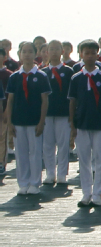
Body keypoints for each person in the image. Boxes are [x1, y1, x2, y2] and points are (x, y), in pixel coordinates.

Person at [69, 41, 101, 209]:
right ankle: (86, 193)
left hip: (99, 123)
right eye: (86, 53)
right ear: (81, 54)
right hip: (82, 123)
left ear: (97, 55)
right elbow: (72, 102)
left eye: (93, 53)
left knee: (99, 159)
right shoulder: (76, 78)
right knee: (84, 160)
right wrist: (72, 124)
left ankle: (97, 194)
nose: (89, 56)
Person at [5, 42, 50, 196]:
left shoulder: (41, 75)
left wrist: (41, 121)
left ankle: (35, 183)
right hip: (18, 121)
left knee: (35, 153)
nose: (27, 55)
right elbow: (10, 100)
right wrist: (9, 122)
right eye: (24, 52)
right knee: (21, 154)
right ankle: (23, 183)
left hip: (34, 120)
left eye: (30, 52)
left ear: (34, 53)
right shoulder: (14, 77)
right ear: (20, 54)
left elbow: (44, 100)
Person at [41, 40, 73, 187]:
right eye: (51, 49)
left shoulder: (68, 71)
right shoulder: (43, 72)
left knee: (63, 145)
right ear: (47, 52)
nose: (54, 52)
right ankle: (50, 173)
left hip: (63, 113)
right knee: (47, 145)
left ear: (62, 52)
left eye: (57, 49)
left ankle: (62, 174)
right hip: (47, 114)